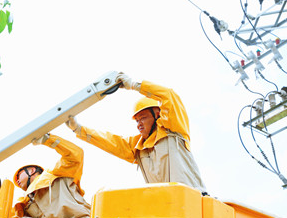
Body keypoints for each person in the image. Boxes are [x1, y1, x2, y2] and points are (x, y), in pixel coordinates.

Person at [66, 72, 206, 194]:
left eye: (143, 118)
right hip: (167, 206)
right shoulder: (138, 148)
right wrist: (78, 129)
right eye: (137, 120)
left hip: (192, 199)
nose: (139, 124)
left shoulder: (173, 130)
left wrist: (134, 85)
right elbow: (110, 141)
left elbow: (169, 96)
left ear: (157, 114)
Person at [12, 133, 91, 218]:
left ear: (31, 171)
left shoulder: (55, 176)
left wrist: (48, 139)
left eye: (19, 175)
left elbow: (76, 154)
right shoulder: (26, 202)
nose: (17, 180)